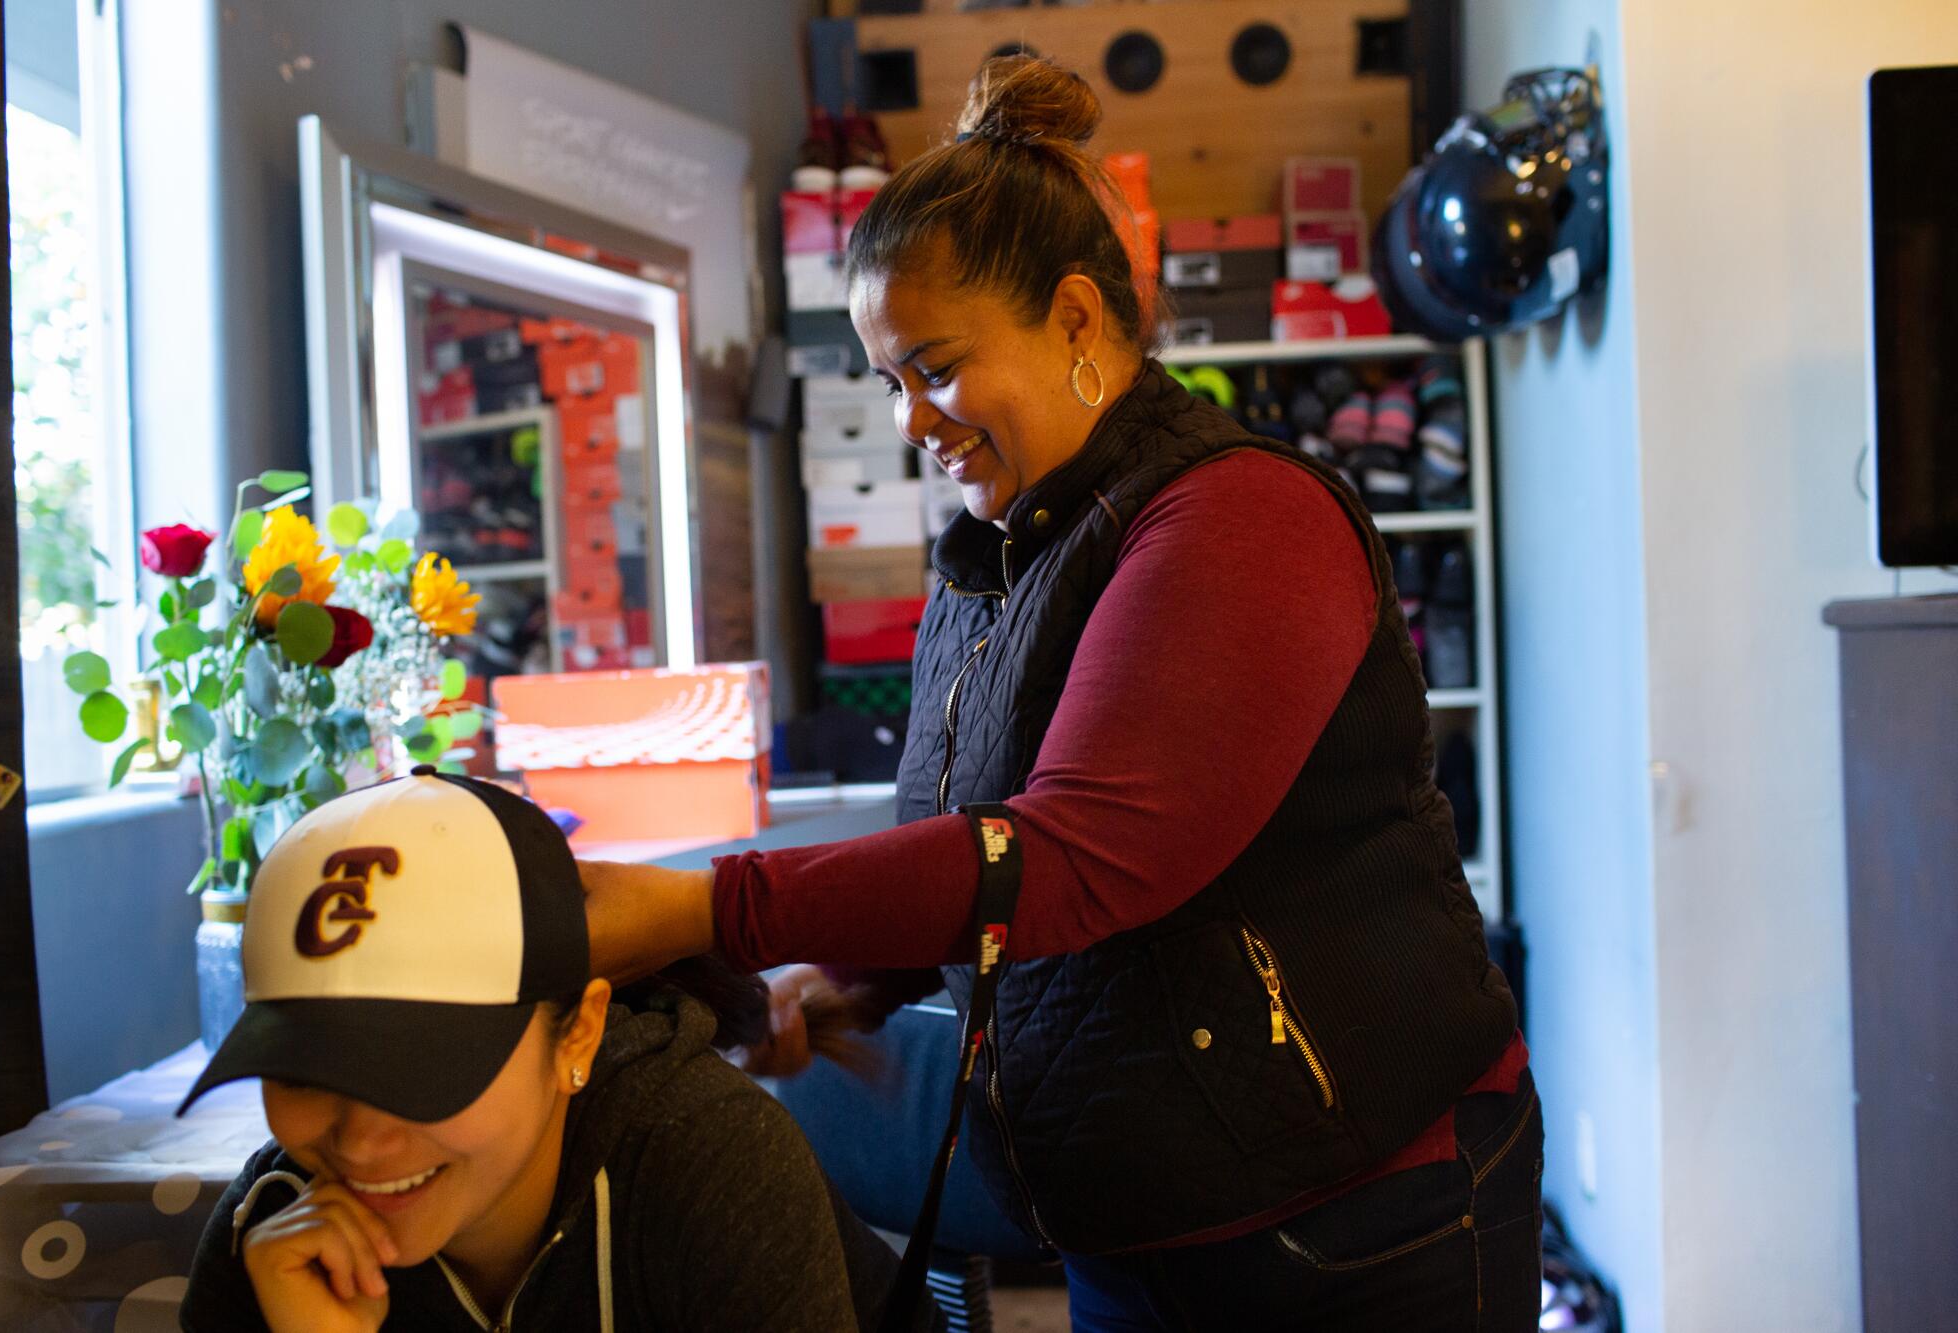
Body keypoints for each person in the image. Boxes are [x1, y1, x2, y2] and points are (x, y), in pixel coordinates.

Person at [582, 55, 1540, 1333]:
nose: (912, 417)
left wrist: (702, 906)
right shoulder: (1001, 554)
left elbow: (1078, 857)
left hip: (1350, 1212)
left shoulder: (1237, 518)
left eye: (934, 365)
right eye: (887, 381)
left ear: (1077, 321)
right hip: (1137, 1203)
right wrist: (857, 979)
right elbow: (974, 843)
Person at [178, 767, 928, 1333]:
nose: (363, 1139)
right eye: (308, 1068)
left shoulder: (706, 1167)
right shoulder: (272, 1233)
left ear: (579, 1031)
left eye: (428, 1068)